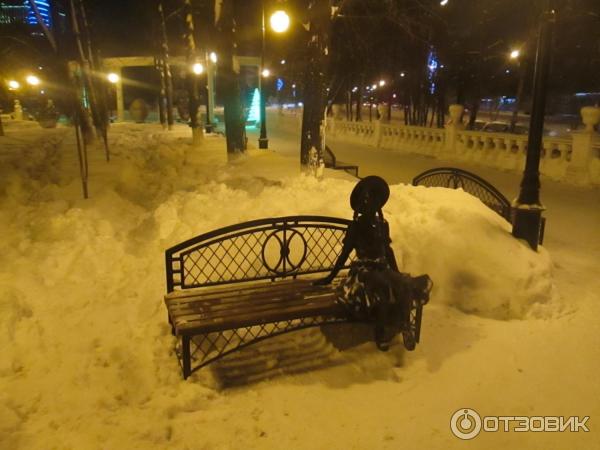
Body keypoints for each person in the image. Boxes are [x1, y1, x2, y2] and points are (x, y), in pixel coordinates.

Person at [314, 176, 432, 351]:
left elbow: (388, 250)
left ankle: (405, 326)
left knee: (401, 284)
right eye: (368, 202)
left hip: (381, 267)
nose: (371, 206)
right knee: (382, 286)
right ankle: (380, 331)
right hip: (363, 271)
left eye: (375, 202)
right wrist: (330, 277)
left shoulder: (382, 225)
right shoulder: (356, 227)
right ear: (362, 206)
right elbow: (344, 254)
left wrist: (396, 272)